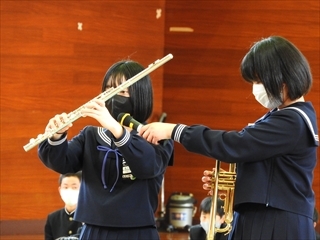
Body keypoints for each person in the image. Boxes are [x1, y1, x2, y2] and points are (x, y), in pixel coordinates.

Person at [139, 36, 318, 239]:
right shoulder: (283, 116)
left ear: (281, 77)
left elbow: (235, 144)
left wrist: (175, 131)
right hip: (264, 217)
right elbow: (270, 173)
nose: (255, 88)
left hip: (276, 222)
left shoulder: (292, 120)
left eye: (259, 81)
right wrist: (232, 184)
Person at [38, 59, 174, 240]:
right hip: (93, 231)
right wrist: (56, 136)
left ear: (140, 95)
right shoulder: (90, 135)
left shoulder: (157, 134)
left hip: (138, 232)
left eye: (122, 91)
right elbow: (62, 163)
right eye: (108, 89)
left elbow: (148, 165)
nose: (113, 96)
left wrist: (116, 129)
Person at [45, 172, 83, 240]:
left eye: (74, 187)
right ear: (60, 190)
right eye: (65, 187)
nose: (69, 191)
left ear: (83, 190)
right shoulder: (53, 218)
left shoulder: (88, 218)